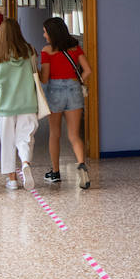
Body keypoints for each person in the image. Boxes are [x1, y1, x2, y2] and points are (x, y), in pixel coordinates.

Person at [0, 18, 42, 190]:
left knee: (7, 141)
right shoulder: (30, 51)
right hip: (28, 103)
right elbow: (36, 73)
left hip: (7, 106)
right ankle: (25, 163)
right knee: (25, 138)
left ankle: (11, 180)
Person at [37, 16, 93, 189]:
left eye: (45, 32)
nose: (44, 35)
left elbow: (45, 78)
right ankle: (81, 165)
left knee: (55, 134)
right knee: (74, 135)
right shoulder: (75, 48)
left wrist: (36, 73)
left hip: (55, 93)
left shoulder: (47, 51)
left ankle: (55, 172)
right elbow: (88, 70)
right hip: (74, 91)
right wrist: (76, 82)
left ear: (52, 33)